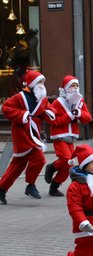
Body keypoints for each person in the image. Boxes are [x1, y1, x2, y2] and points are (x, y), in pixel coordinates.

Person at [0, 70, 54, 204]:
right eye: (39, 82)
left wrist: (49, 113)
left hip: (33, 132)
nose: (42, 85)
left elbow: (49, 109)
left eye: (43, 82)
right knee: (39, 159)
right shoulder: (20, 97)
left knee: (17, 165)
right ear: (32, 84)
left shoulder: (42, 98)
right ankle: (31, 185)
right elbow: (6, 108)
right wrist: (23, 115)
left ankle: (1, 188)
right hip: (22, 133)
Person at [44, 75, 92, 196]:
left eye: (76, 86)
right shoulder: (57, 103)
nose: (75, 88)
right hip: (59, 136)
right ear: (65, 88)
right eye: (72, 86)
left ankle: (54, 187)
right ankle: (52, 167)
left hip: (71, 136)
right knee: (66, 159)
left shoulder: (79, 101)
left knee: (69, 163)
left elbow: (87, 118)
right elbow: (54, 121)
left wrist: (79, 113)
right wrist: (70, 116)